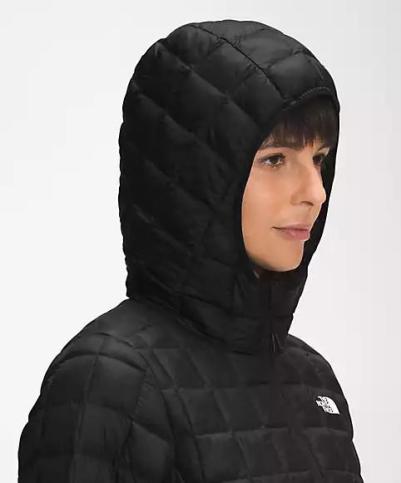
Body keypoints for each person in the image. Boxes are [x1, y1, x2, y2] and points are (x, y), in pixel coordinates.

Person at [18, 19, 364, 482]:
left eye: (319, 159)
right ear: (196, 178)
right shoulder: (108, 381)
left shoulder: (313, 381)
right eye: (275, 159)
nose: (315, 192)